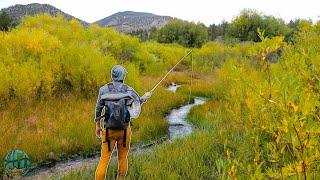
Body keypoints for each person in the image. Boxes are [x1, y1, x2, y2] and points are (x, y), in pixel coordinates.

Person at [95, 65, 151, 180]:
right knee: (122, 158)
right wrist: (145, 97)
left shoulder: (103, 89)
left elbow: (98, 109)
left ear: (113, 75)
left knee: (104, 160)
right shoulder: (129, 90)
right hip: (125, 131)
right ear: (123, 76)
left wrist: (97, 126)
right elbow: (138, 102)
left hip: (108, 130)